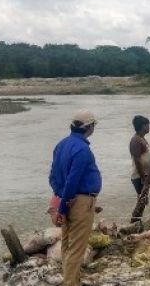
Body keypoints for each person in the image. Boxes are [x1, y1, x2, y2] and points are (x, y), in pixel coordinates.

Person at [48, 110, 101, 286]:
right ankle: (70, 283)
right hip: (80, 201)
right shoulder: (82, 150)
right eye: (93, 125)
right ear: (89, 127)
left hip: (68, 198)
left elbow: (52, 177)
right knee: (77, 248)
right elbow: (73, 179)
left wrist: (62, 197)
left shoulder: (61, 145)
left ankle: (73, 280)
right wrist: (64, 205)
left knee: (67, 244)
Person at [129, 115, 150, 223]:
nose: (149, 127)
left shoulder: (141, 138)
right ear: (142, 126)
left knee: (143, 200)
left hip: (144, 175)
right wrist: (143, 177)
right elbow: (137, 160)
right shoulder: (135, 140)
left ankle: (137, 223)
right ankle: (134, 223)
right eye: (147, 125)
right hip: (139, 176)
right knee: (142, 200)